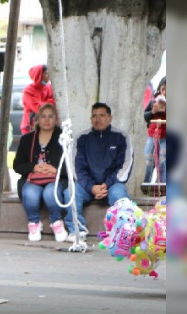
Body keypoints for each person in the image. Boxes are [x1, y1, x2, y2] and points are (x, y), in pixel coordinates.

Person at [63, 102, 133, 242]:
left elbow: (124, 166)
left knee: (120, 195)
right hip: (87, 184)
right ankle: (77, 231)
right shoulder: (82, 138)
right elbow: (77, 167)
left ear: (110, 118)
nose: (98, 119)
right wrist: (91, 187)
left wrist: (106, 185)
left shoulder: (121, 137)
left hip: (112, 184)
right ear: (90, 119)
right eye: (94, 116)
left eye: (102, 115)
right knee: (70, 192)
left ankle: (124, 232)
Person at [13, 103, 69, 242]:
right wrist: (33, 168)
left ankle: (57, 222)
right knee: (31, 193)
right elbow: (17, 165)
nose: (47, 120)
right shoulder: (27, 139)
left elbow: (73, 166)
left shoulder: (64, 138)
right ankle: (34, 223)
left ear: (56, 120)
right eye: (43, 116)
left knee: (50, 193)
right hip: (34, 179)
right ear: (37, 119)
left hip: (55, 179)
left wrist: (55, 169)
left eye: (51, 116)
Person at [142, 77, 166, 183]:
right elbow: (145, 116)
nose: (164, 93)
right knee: (148, 160)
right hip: (152, 136)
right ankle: (145, 185)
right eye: (163, 89)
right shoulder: (154, 100)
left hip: (166, 138)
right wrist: (153, 111)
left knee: (163, 161)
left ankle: (161, 186)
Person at [20, 64, 54, 135]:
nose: (48, 76)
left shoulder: (49, 88)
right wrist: (50, 102)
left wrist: (45, 103)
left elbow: (53, 103)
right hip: (30, 128)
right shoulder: (28, 90)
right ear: (39, 75)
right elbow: (39, 108)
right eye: (45, 73)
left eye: (48, 73)